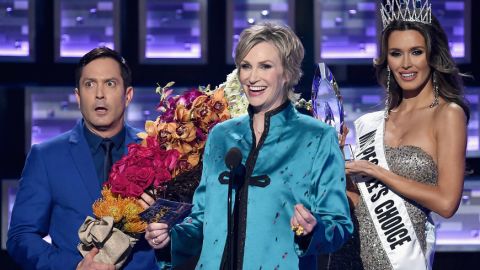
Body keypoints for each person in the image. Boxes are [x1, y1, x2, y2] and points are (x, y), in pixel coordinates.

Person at [143, 23, 353, 269]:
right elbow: (201, 221)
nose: (252, 78)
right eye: (245, 66)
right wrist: (170, 238)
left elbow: (339, 225)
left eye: (265, 66)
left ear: (287, 72)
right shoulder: (221, 136)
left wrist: (311, 231)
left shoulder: (317, 137)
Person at [328, 0, 470, 269]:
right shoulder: (373, 121)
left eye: (416, 52)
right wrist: (336, 163)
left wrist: (378, 171)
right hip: (349, 254)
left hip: (401, 259)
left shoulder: (448, 114)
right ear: (386, 59)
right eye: (396, 53)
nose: (406, 63)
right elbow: (360, 200)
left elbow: (447, 202)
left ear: (431, 54)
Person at [7, 47, 157, 270]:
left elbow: (187, 229)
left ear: (128, 95)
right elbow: (21, 237)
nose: (99, 94)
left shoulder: (156, 150)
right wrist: (75, 266)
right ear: (78, 96)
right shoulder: (47, 157)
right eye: (89, 84)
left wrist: (167, 234)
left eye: (110, 83)